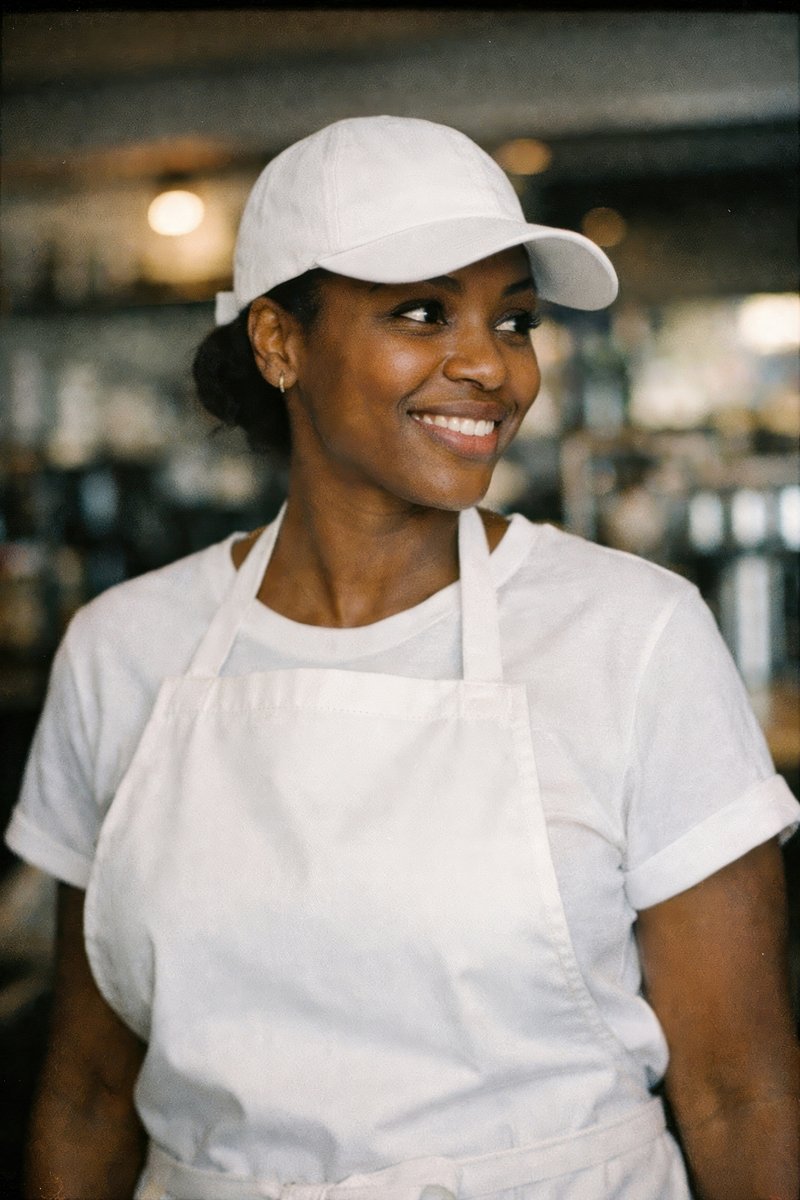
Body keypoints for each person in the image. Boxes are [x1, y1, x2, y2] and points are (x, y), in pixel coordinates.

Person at [5, 115, 799, 1200]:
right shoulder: (123, 649)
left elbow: (740, 1094)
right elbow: (89, 1095)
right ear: (279, 343)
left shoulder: (633, 633)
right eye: (421, 312)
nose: (489, 366)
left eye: (513, 321)